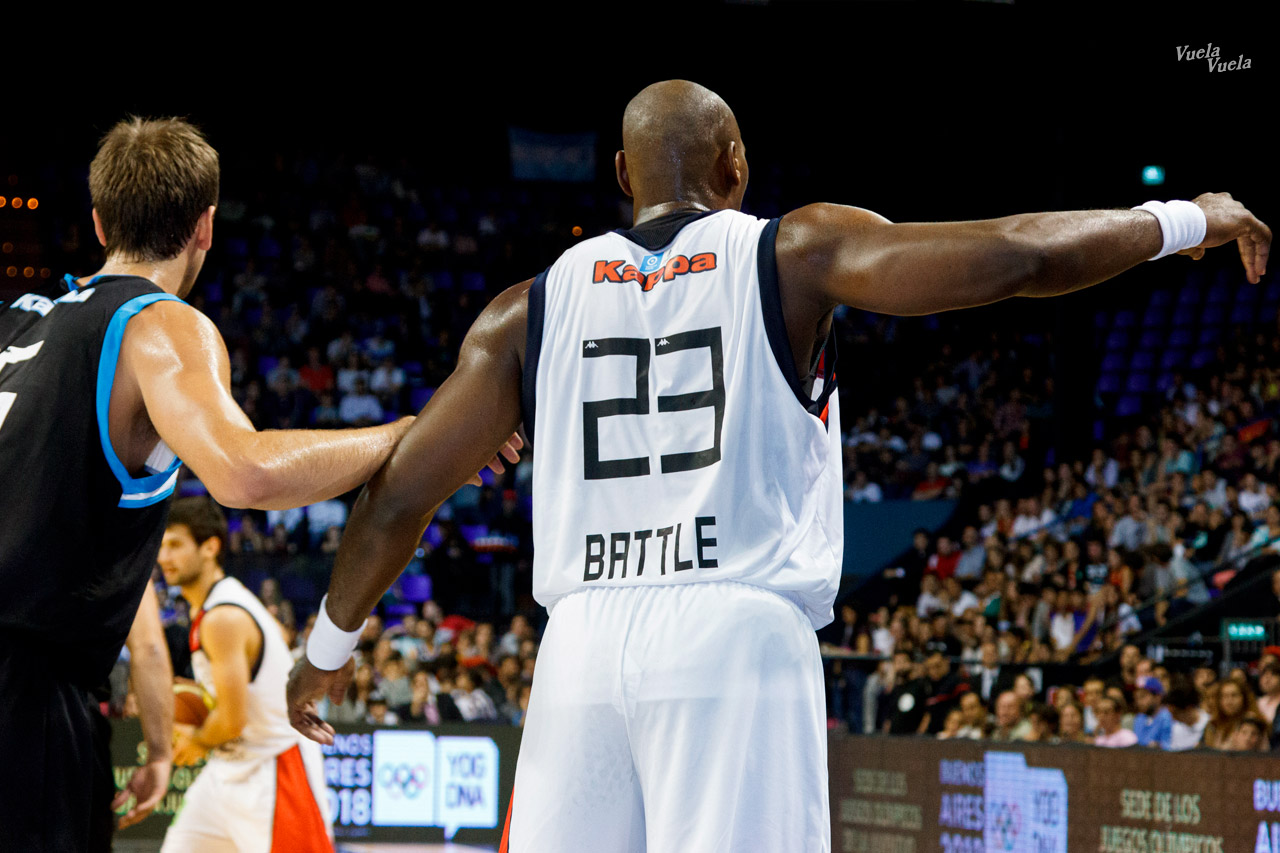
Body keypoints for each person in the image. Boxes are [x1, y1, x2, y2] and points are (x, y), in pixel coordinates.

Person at [285, 80, 1271, 853]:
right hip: (733, 632)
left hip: (579, 644)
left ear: (622, 174)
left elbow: (403, 490)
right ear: (735, 163)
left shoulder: (524, 308)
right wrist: (1186, 216)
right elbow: (1017, 255)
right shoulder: (792, 251)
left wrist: (323, 657)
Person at [0, 117, 515, 851]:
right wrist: (418, 430)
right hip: (29, 707)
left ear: (98, 221)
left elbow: (127, 606)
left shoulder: (13, 323)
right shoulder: (159, 324)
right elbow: (245, 472)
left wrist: (154, 741)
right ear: (206, 227)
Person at [158, 497, 333, 852]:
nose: (163, 558)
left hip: (273, 768)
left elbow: (232, 720)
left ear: (210, 547)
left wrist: (195, 741)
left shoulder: (224, 617)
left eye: (175, 545)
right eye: (161, 547)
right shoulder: (214, 605)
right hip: (227, 770)